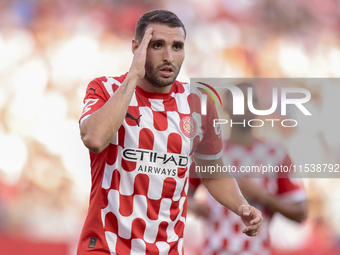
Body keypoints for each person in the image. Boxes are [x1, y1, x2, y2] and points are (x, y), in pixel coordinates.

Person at [77, 10, 262, 255]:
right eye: (157, 45)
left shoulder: (198, 103)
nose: (168, 56)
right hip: (106, 247)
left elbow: (213, 173)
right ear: (137, 47)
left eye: (177, 47)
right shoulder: (106, 88)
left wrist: (241, 207)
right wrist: (133, 75)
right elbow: (95, 138)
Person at [188, 83, 307, 255]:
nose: (246, 107)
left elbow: (300, 212)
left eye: (252, 101)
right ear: (225, 106)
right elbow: (182, 194)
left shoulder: (275, 154)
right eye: (240, 100)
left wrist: (262, 196)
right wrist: (194, 206)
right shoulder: (207, 152)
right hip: (214, 250)